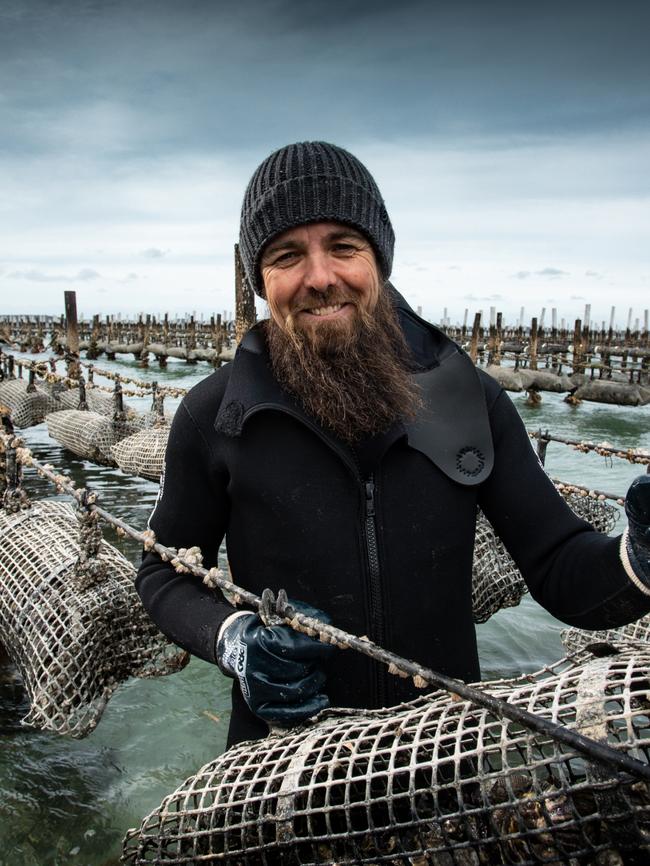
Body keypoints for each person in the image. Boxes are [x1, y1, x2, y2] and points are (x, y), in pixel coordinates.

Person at [136, 141, 650, 749]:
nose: (321, 277)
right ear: (260, 279)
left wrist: (638, 560)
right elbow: (165, 575)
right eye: (287, 255)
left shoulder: (470, 397)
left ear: (380, 258)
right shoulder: (212, 414)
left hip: (442, 752)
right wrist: (234, 640)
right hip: (280, 763)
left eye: (344, 247)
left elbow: (563, 570)